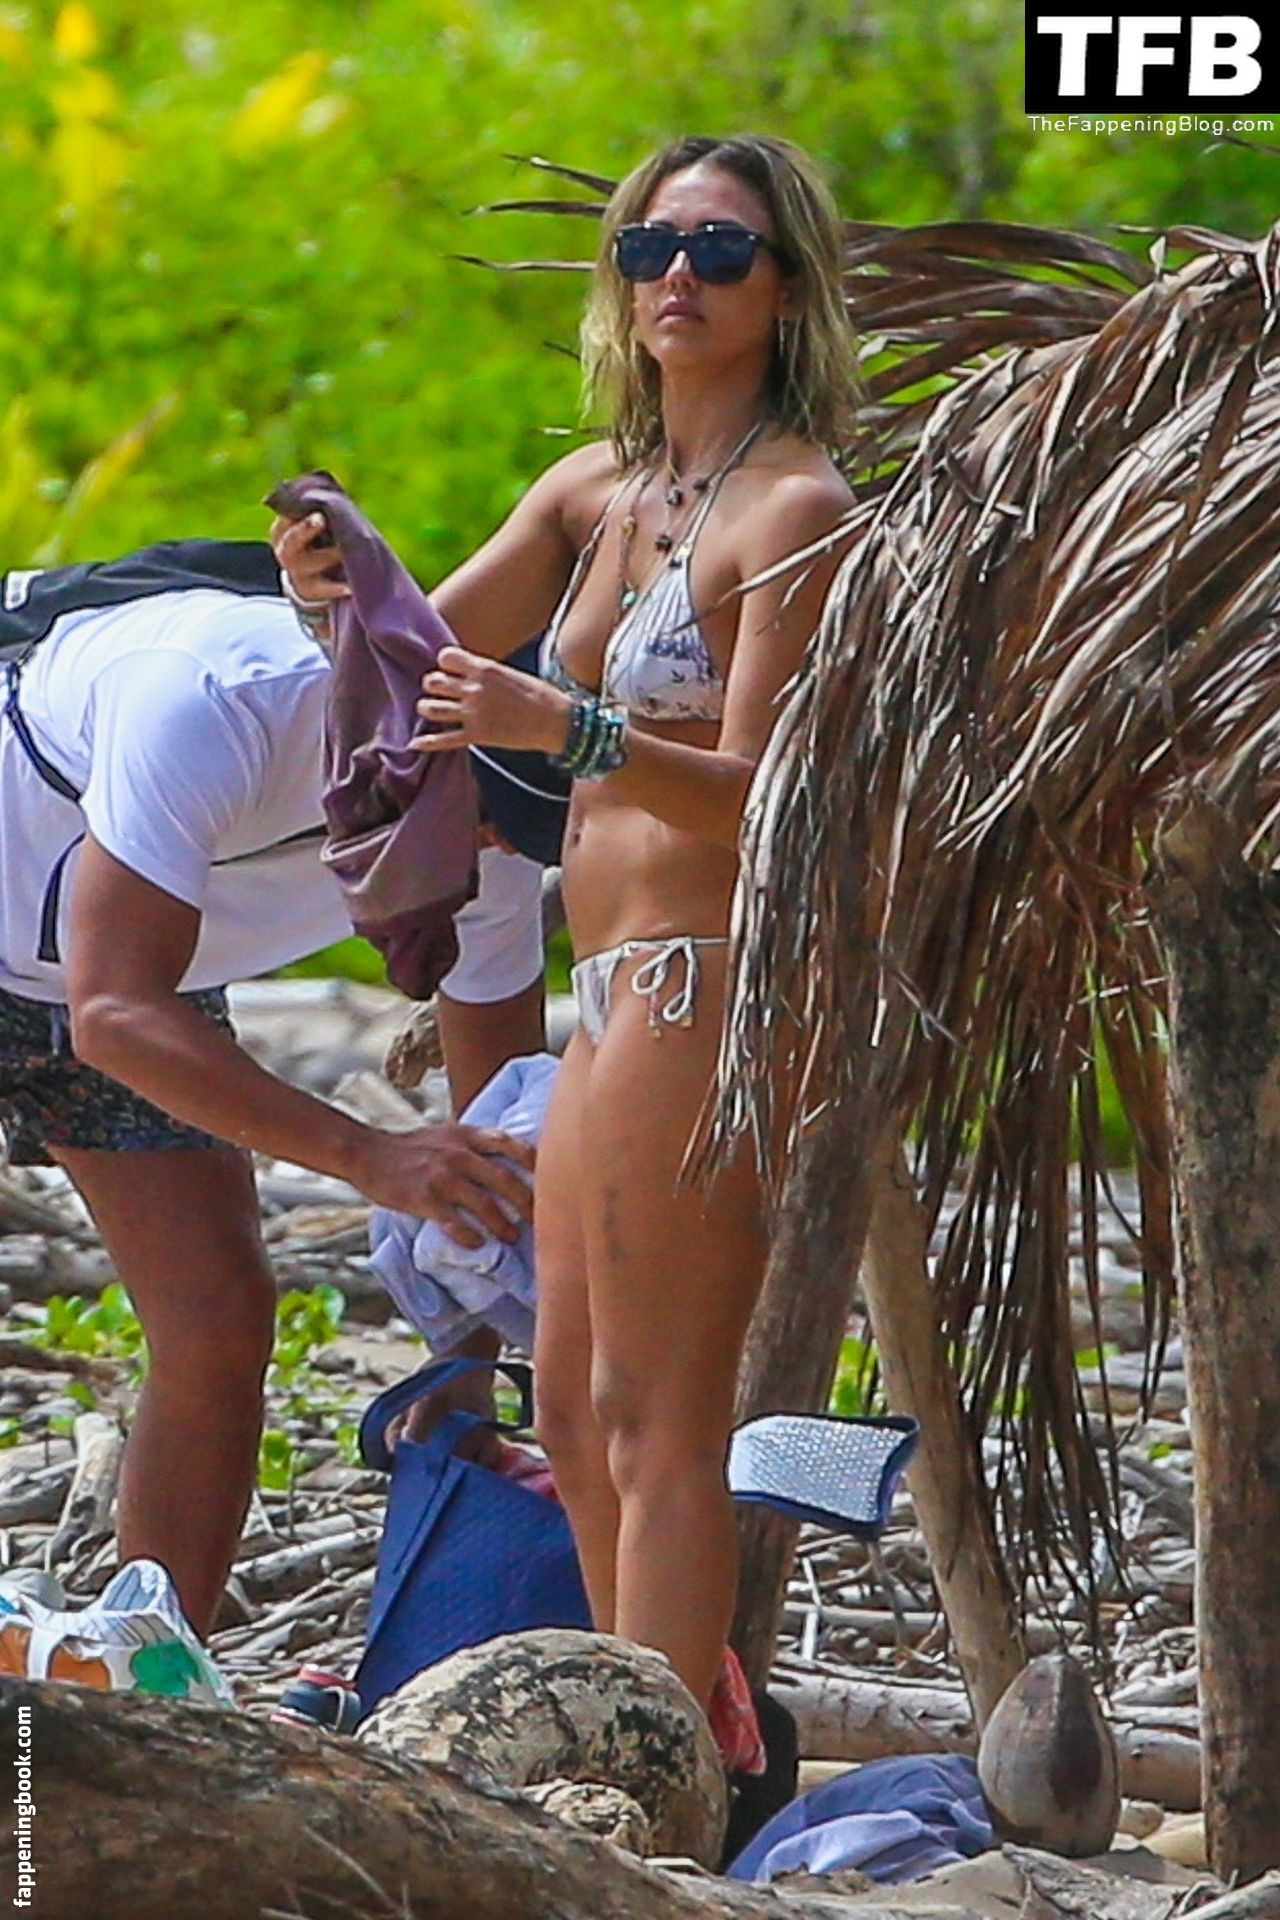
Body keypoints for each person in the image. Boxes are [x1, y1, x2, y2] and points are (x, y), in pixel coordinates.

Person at [275, 132, 858, 1707]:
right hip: (602, 987)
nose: (679, 275)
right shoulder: (596, 492)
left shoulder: (795, 510)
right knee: (577, 1407)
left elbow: (774, 800)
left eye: (721, 250)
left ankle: (662, 1787)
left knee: (663, 1417)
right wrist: (333, 582)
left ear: (786, 286)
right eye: (650, 246)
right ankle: (632, 1731)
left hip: (712, 975)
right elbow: (408, 661)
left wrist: (576, 731)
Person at [0, 567, 544, 1638]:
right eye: (491, 818)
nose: (495, 850)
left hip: (118, 967)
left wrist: (464, 1375)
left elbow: (500, 1141)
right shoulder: (212, 699)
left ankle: (151, 1673)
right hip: (104, 961)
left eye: (526, 833)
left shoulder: (499, 839)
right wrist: (373, 1157)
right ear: (417, 746)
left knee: (217, 1314)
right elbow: (116, 1011)